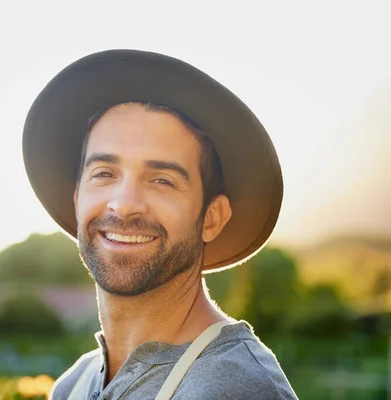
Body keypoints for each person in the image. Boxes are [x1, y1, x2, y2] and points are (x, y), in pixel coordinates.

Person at [22, 50, 297, 399]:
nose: (123, 204)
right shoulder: (73, 385)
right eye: (104, 173)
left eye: (162, 180)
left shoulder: (235, 389)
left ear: (211, 218)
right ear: (78, 199)